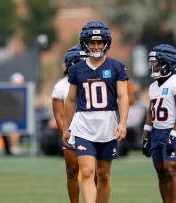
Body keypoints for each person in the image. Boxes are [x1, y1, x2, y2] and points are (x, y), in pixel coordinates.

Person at [63, 21, 129, 203]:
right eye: (92, 42)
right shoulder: (76, 69)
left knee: (104, 175)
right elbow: (70, 100)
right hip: (84, 125)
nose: (96, 46)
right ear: (85, 43)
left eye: (100, 42)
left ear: (106, 43)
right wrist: (66, 128)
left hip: (108, 126)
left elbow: (123, 97)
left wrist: (123, 122)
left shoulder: (117, 67)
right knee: (87, 172)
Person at [142, 44, 176, 203]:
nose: (153, 66)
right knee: (160, 171)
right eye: (152, 63)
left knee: (171, 169)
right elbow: (151, 112)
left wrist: (174, 134)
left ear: (168, 64)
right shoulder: (153, 86)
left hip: (172, 130)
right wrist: (145, 136)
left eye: (157, 63)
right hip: (157, 132)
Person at [52, 45, 87, 203]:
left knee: (93, 172)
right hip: (72, 133)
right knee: (72, 171)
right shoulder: (61, 86)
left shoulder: (92, 81)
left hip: (92, 131)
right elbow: (59, 115)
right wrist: (66, 133)